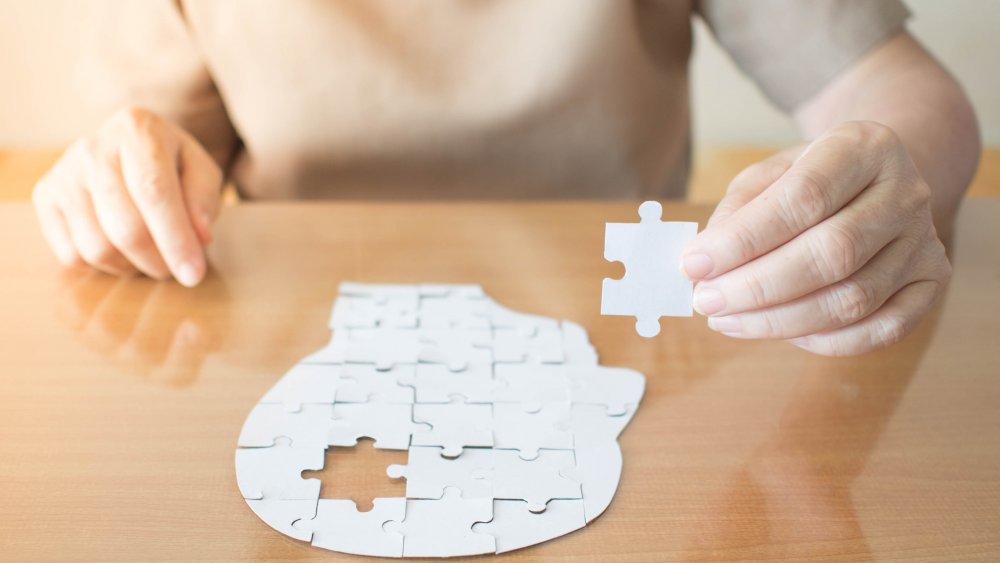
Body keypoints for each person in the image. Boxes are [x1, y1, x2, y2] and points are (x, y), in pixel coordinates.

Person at [31, 1, 980, 357]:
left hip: (625, 368)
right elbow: (131, 152)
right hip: (305, 364)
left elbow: (893, 86)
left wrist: (884, 181)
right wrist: (112, 177)